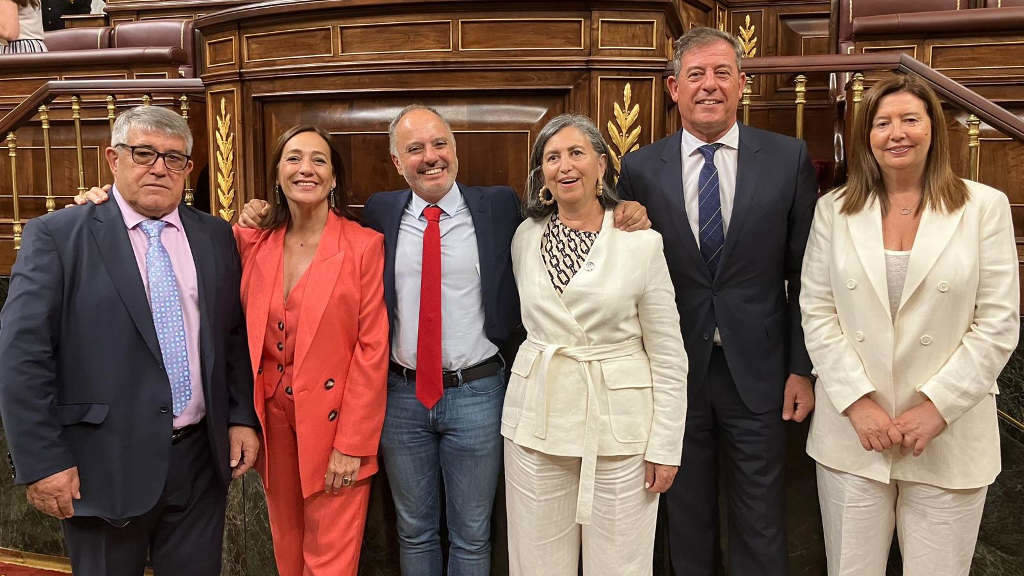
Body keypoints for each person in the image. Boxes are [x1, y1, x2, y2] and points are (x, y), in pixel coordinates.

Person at [240, 104, 650, 576]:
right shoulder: (380, 212)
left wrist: (624, 209)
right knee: (413, 531)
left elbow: (567, 209)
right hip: (400, 397)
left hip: (478, 393)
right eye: (415, 148)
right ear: (397, 162)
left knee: (472, 534)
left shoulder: (497, 205)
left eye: (439, 144)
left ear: (455, 151)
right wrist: (258, 214)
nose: (429, 157)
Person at [75, 124, 390, 575]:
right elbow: (163, 228)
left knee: (331, 561)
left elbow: (372, 350)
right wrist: (98, 201)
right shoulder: (250, 241)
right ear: (277, 173)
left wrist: (353, 445)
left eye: (319, 160)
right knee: (287, 548)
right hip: (272, 426)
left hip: (335, 427)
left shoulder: (363, 246)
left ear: (334, 177)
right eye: (294, 158)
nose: (306, 168)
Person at [0, 105, 259, 576]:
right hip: (100, 466)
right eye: (144, 154)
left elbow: (231, 335)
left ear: (187, 169)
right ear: (112, 159)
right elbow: (22, 358)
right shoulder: (58, 236)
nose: (159, 167)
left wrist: (241, 415)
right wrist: (42, 462)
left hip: (200, 462)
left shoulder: (214, 235)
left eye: (174, 158)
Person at [616, 26, 819, 575]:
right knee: (684, 518)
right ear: (672, 88)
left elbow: (806, 274)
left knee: (761, 520)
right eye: (696, 74)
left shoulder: (786, 157)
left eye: (722, 73)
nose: (710, 85)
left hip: (761, 373)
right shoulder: (639, 169)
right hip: (674, 373)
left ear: (742, 84)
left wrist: (803, 368)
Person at [800, 73, 1019, 576]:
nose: (896, 133)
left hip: (947, 435)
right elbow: (817, 310)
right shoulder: (833, 211)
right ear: (867, 138)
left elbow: (997, 322)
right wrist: (857, 402)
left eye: (909, 120)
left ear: (934, 130)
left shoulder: (983, 208)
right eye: (882, 123)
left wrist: (938, 406)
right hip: (854, 435)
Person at [501, 113, 686, 575]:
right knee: (536, 564)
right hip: (536, 421)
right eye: (552, 157)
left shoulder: (640, 243)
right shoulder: (524, 237)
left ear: (601, 165)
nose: (565, 166)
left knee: (621, 564)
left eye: (577, 153)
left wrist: (665, 445)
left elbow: (667, 352)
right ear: (541, 174)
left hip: (621, 429)